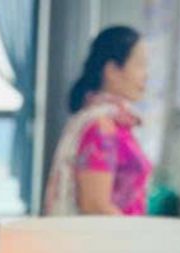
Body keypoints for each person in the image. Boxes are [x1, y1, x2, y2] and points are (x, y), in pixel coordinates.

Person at [44, 26, 152, 217]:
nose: (146, 75)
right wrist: (140, 237)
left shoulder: (117, 123)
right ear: (112, 71)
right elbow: (95, 205)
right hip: (109, 242)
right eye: (140, 64)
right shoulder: (101, 127)